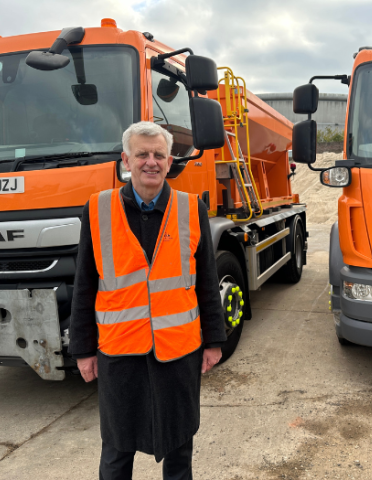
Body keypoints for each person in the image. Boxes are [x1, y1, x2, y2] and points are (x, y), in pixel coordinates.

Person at [70, 121, 227, 480]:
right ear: (126, 159)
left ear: (170, 161)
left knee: (178, 450)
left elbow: (206, 280)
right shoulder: (97, 210)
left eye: (158, 155)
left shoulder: (191, 209)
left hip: (178, 353)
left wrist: (214, 341)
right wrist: (83, 350)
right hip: (120, 354)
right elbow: (84, 286)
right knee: (116, 452)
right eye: (142, 154)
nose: (150, 162)